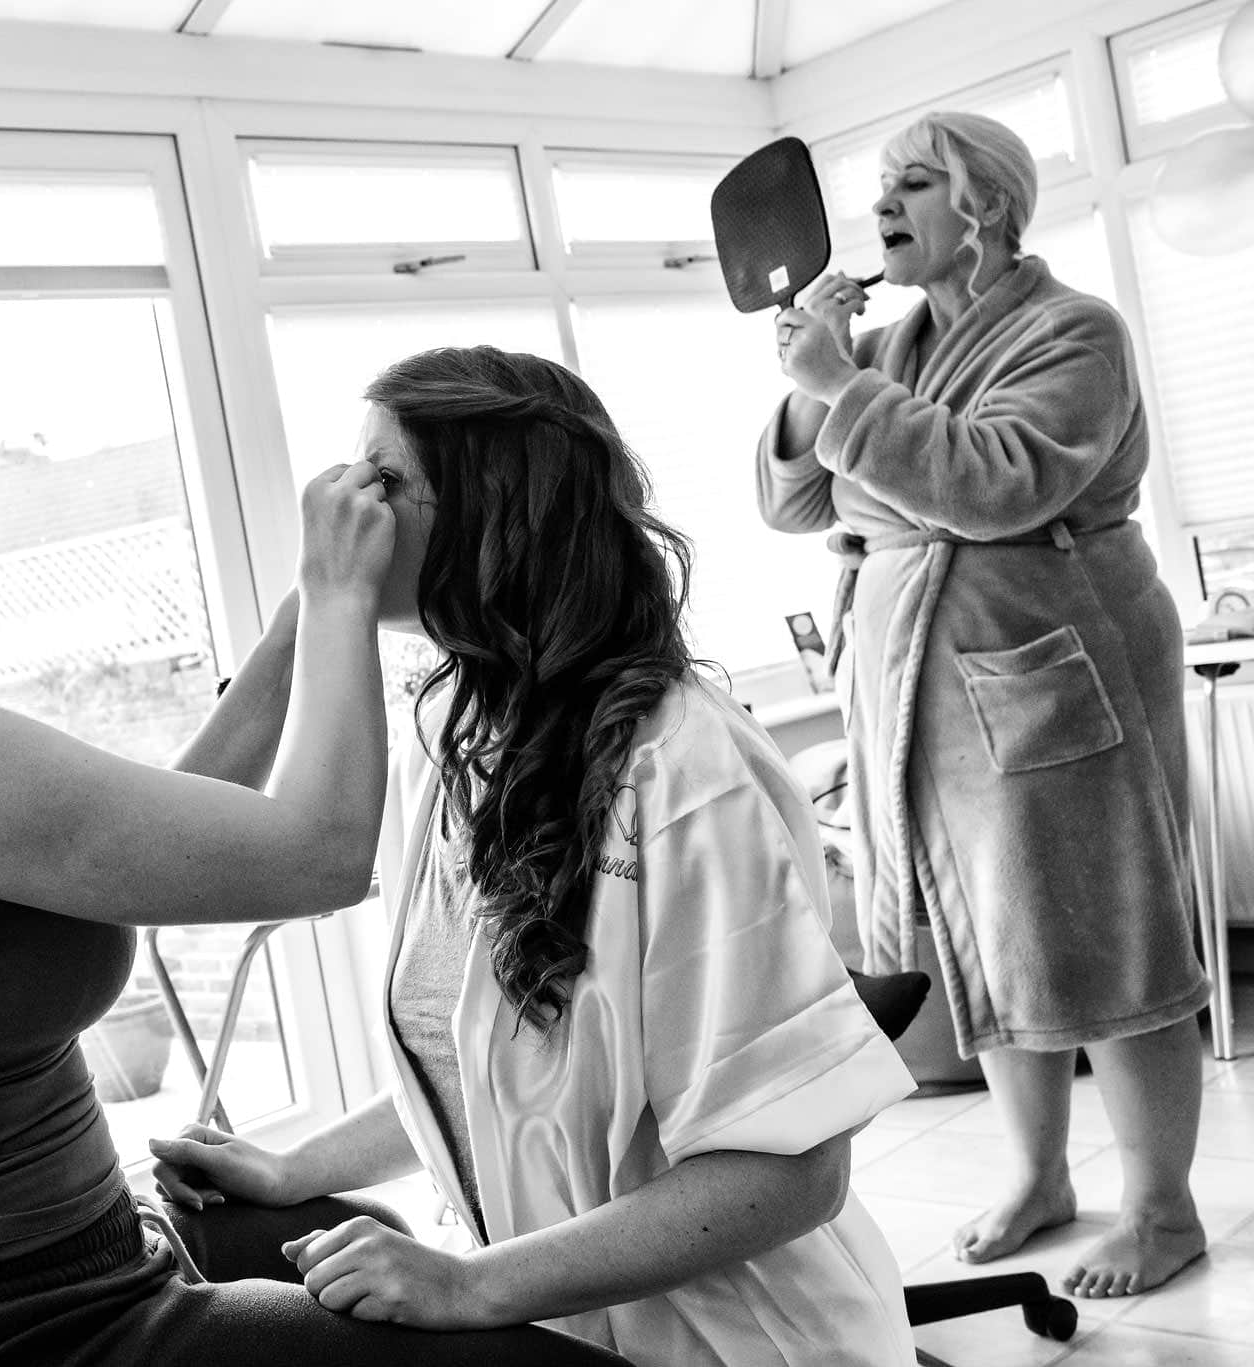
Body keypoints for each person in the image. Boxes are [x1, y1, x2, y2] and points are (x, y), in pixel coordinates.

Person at [0, 288, 629, 1367]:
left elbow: (134, 843)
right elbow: (318, 853)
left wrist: (300, 622)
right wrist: (343, 597)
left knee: (367, 1236)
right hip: (8, 1329)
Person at [152, 344, 921, 1367]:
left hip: (732, 1342)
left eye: (383, 479)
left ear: (497, 523)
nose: (346, 505)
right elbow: (495, 1068)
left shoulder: (681, 768)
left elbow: (789, 1170)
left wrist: (469, 1282)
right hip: (564, 1321)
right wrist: (294, 1166)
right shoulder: (464, 740)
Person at [755, 111, 1209, 1298]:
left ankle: (1162, 1210)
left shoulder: (1072, 332)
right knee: (985, 942)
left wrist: (838, 385)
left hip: (1049, 660)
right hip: (917, 686)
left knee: (1106, 931)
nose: (882, 206)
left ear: (987, 205)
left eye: (913, 182)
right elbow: (803, 507)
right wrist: (818, 375)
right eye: (881, 188)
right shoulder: (892, 344)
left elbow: (998, 484)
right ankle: (1038, 1174)